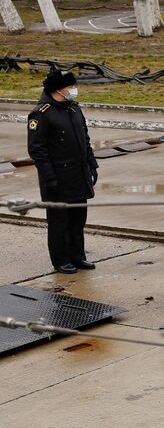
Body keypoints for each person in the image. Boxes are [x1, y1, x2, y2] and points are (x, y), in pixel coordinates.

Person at [27, 69, 97, 274]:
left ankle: (77, 256)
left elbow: (85, 140)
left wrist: (92, 165)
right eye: (71, 86)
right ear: (59, 89)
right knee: (59, 222)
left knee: (78, 219)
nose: (75, 90)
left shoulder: (74, 109)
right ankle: (60, 260)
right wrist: (50, 178)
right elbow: (36, 150)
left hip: (78, 176)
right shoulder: (42, 114)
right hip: (57, 178)